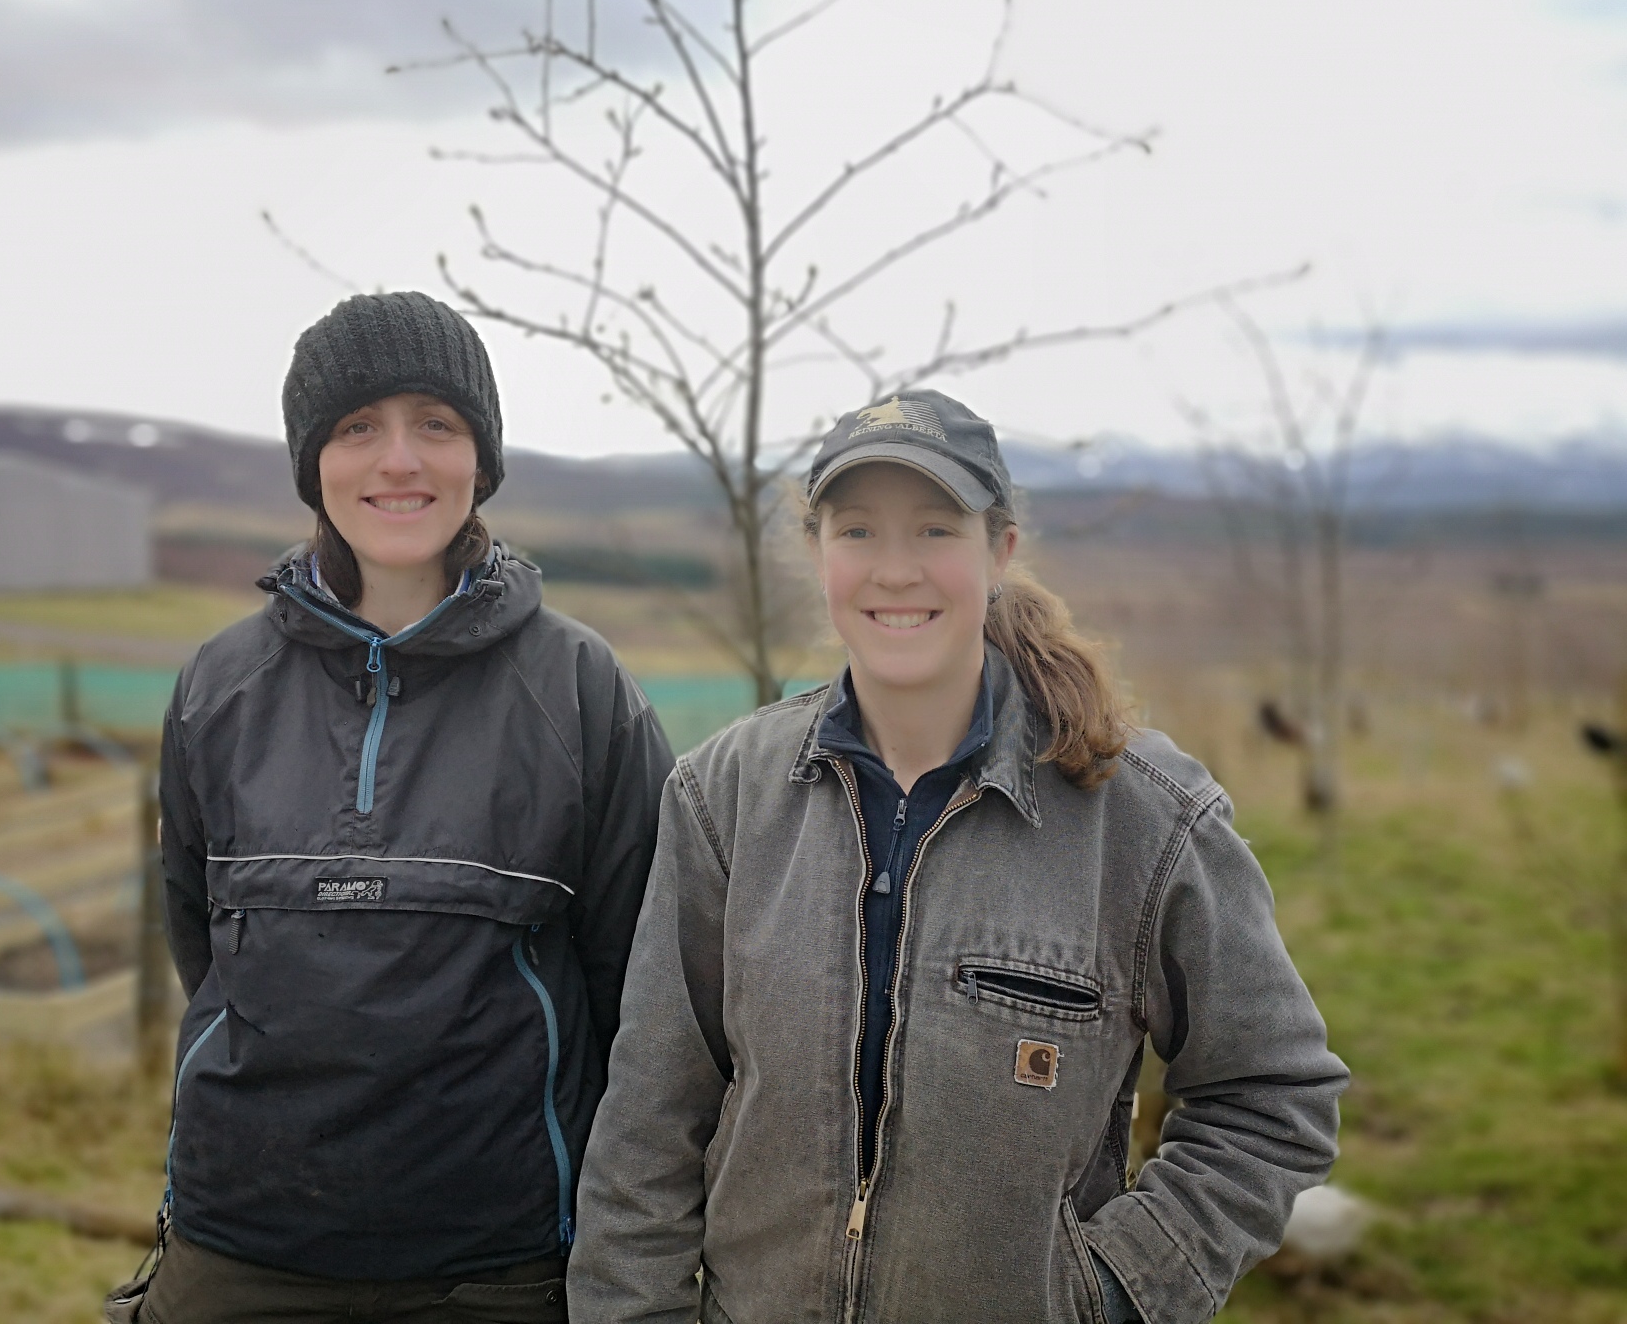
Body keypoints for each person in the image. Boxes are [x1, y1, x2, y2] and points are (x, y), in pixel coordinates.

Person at [568, 390, 1349, 1324]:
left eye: (935, 529)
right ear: (820, 552)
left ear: (999, 551)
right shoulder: (724, 796)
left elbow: (1273, 1094)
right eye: (857, 531)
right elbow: (648, 1125)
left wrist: (1113, 1290)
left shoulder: (1143, 817)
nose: (895, 572)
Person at [129, 292, 673, 1324]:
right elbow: (201, 944)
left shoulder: (576, 688)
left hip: (495, 1265)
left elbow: (639, 986)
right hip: (242, 1252)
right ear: (312, 462)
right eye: (357, 427)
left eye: (436, 424)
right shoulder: (220, 686)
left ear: (481, 458)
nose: (398, 461)